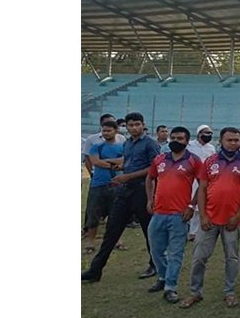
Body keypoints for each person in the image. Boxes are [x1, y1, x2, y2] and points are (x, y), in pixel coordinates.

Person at [180, 127, 240, 309]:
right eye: (229, 140)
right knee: (199, 257)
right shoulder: (210, 161)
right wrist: (204, 215)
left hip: (232, 220)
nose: (233, 143)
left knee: (232, 257)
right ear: (221, 141)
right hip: (209, 220)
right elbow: (202, 188)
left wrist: (239, 215)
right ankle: (195, 292)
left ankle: (229, 292)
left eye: (236, 140)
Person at [82, 112, 161, 283]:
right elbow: (127, 162)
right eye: (130, 125)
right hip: (124, 191)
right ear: (126, 126)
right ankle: (95, 270)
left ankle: (155, 265)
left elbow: (154, 169)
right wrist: (116, 168)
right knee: (112, 231)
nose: (133, 128)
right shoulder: (127, 144)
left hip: (141, 190)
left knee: (149, 231)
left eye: (137, 124)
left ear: (143, 125)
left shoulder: (150, 144)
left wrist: (128, 176)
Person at [144, 126, 203, 303]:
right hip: (158, 213)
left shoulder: (194, 160)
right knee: (156, 250)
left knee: (175, 253)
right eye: (174, 137)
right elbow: (150, 178)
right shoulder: (160, 159)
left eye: (180, 138)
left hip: (179, 214)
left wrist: (192, 205)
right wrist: (149, 199)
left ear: (187, 141)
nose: (176, 141)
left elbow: (203, 185)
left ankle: (171, 287)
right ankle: (162, 278)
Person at [83, 120, 126, 253]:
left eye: (109, 130)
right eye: (104, 131)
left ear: (116, 131)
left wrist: (107, 161)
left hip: (116, 183)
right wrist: (115, 163)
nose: (106, 133)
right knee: (93, 214)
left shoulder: (122, 146)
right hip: (98, 184)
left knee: (116, 214)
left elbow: (124, 161)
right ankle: (90, 242)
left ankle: (117, 240)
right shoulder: (97, 146)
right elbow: (96, 162)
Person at [186, 125, 217, 242]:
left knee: (201, 205)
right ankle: (190, 231)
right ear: (199, 134)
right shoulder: (190, 146)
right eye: (206, 133)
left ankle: (197, 231)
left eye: (210, 133)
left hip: (206, 179)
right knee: (191, 202)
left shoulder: (211, 148)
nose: (208, 135)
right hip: (192, 178)